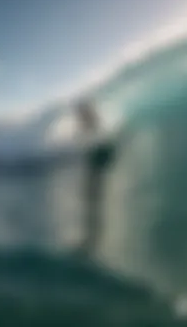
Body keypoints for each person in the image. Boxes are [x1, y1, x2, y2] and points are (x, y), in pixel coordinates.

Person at [74, 99, 116, 257]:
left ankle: (92, 241)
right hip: (95, 163)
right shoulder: (90, 124)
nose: (78, 117)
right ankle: (91, 239)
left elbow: (102, 144)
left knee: (92, 201)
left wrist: (100, 163)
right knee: (90, 202)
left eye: (80, 112)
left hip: (97, 163)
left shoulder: (92, 123)